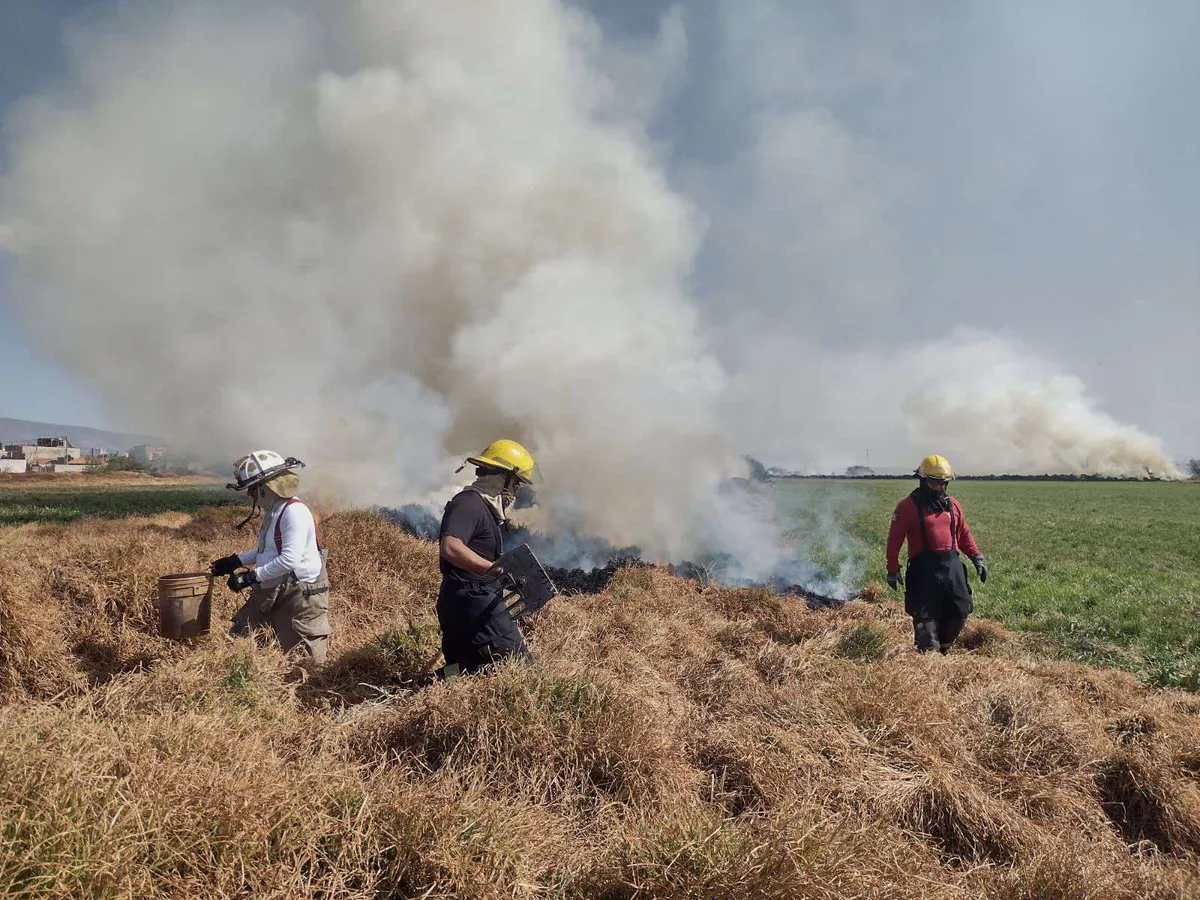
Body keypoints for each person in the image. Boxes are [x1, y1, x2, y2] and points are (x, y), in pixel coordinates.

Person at [210, 450, 333, 663]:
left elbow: (289, 560)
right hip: (276, 585)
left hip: (301, 594)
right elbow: (267, 551)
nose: (251, 496)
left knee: (305, 659)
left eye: (252, 490)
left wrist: (249, 577)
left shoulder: (294, 512)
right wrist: (236, 561)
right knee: (241, 638)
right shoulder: (276, 511)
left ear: (266, 488)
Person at [436, 439, 538, 677]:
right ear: (504, 478)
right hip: (471, 599)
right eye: (516, 485)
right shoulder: (469, 504)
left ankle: (434, 684)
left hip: (463, 600)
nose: (515, 492)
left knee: (469, 669)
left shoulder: (482, 508)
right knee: (517, 666)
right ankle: (434, 686)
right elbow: (450, 547)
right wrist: (494, 569)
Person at [886, 454, 988, 654]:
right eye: (935, 484)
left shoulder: (953, 505)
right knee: (925, 620)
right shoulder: (907, 507)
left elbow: (964, 533)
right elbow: (894, 540)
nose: (940, 488)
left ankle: (944, 649)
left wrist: (977, 557)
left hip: (952, 568)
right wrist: (892, 568)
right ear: (923, 481)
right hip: (923, 571)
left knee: (959, 612)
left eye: (943, 484)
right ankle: (928, 657)